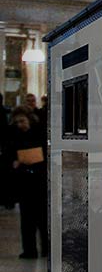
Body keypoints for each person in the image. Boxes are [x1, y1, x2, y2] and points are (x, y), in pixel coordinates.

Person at [8, 107, 47, 259]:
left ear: (29, 120)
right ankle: (29, 250)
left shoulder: (39, 133)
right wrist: (14, 162)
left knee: (42, 216)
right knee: (26, 218)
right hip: (24, 181)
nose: (20, 125)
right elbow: (10, 154)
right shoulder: (14, 135)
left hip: (39, 178)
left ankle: (46, 248)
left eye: (22, 121)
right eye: (17, 122)